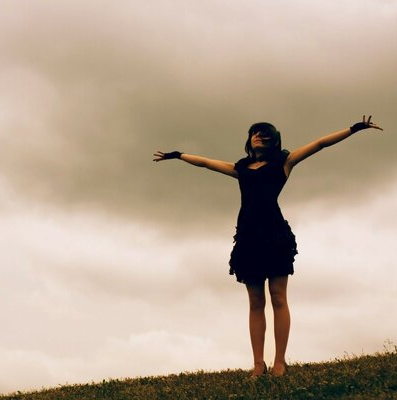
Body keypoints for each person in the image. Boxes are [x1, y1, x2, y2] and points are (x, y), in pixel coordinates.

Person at [153, 115, 383, 378]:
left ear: (273, 140)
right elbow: (206, 163)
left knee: (277, 297)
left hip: (274, 235)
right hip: (248, 238)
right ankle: (258, 364)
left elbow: (320, 144)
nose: (258, 137)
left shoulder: (284, 163)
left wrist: (354, 129)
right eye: (254, 133)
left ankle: (280, 362)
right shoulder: (240, 168)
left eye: (263, 134)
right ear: (249, 139)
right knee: (254, 302)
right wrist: (179, 155)